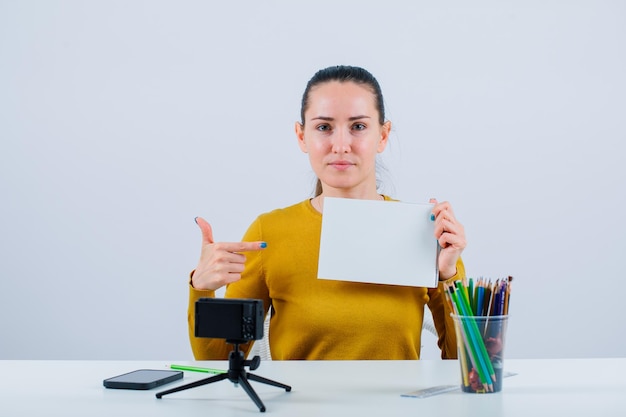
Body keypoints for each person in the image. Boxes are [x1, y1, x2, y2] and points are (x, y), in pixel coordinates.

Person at [188, 65, 467, 360]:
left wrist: (449, 274)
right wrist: (201, 288)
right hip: (300, 406)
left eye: (358, 127)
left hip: (393, 407)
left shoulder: (424, 232)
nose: (341, 145)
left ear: (383, 135)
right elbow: (219, 362)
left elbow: (467, 364)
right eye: (324, 127)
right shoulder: (269, 233)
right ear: (301, 136)